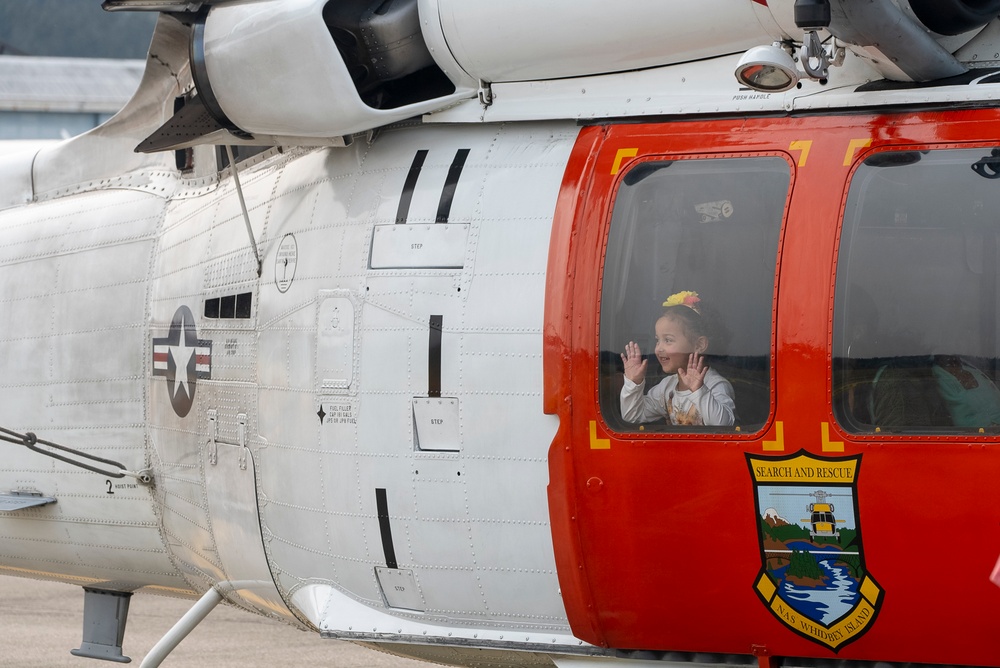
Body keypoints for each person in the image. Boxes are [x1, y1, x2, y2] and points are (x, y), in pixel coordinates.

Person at [620, 291, 736, 426]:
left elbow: (723, 426)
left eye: (668, 340)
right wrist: (633, 382)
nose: (658, 348)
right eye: (658, 340)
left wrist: (699, 391)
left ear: (699, 345)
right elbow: (632, 416)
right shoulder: (667, 386)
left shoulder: (716, 385)